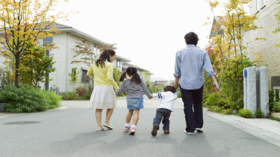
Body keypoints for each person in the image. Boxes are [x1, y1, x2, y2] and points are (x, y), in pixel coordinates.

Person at [174, 32, 219, 135]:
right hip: (198, 82)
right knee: (198, 103)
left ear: (185, 41)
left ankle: (190, 129)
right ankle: (198, 125)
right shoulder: (202, 53)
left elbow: (177, 70)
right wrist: (214, 81)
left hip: (185, 83)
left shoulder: (179, 53)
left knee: (188, 105)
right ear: (197, 41)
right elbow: (209, 68)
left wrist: (176, 83)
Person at [87, 49, 119, 131]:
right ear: (110, 56)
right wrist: (117, 88)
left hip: (97, 87)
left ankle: (99, 126)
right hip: (107, 87)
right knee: (111, 106)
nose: (113, 59)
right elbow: (109, 78)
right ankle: (106, 122)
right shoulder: (109, 64)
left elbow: (88, 73)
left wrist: (98, 77)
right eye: (113, 57)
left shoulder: (95, 63)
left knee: (98, 107)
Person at [116, 67, 152, 135]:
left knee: (130, 112)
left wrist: (114, 93)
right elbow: (145, 89)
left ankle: (126, 125)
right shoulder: (139, 79)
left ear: (127, 73)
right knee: (136, 113)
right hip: (138, 98)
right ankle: (133, 127)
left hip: (129, 98)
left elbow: (120, 90)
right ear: (136, 73)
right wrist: (149, 96)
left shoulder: (125, 81)